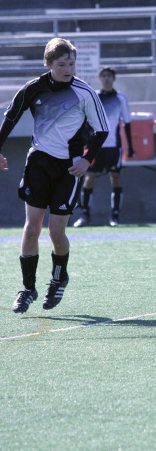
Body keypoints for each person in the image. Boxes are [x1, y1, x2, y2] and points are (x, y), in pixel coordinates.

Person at [0, 38, 109, 314]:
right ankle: (27, 288)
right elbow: (10, 117)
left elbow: (101, 130)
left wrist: (87, 159)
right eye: (61, 64)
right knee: (31, 227)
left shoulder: (84, 92)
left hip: (69, 169)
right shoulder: (33, 89)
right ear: (48, 64)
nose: (67, 69)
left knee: (56, 230)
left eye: (71, 63)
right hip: (38, 162)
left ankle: (59, 277)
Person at [73, 66, 134, 228]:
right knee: (89, 177)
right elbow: (85, 122)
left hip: (114, 147)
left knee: (115, 177)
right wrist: (84, 144)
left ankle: (115, 216)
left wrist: (130, 146)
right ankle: (85, 215)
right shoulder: (94, 97)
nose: (106, 78)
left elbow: (127, 123)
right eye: (104, 76)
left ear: (113, 79)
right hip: (95, 147)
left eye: (109, 76)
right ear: (100, 78)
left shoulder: (120, 98)